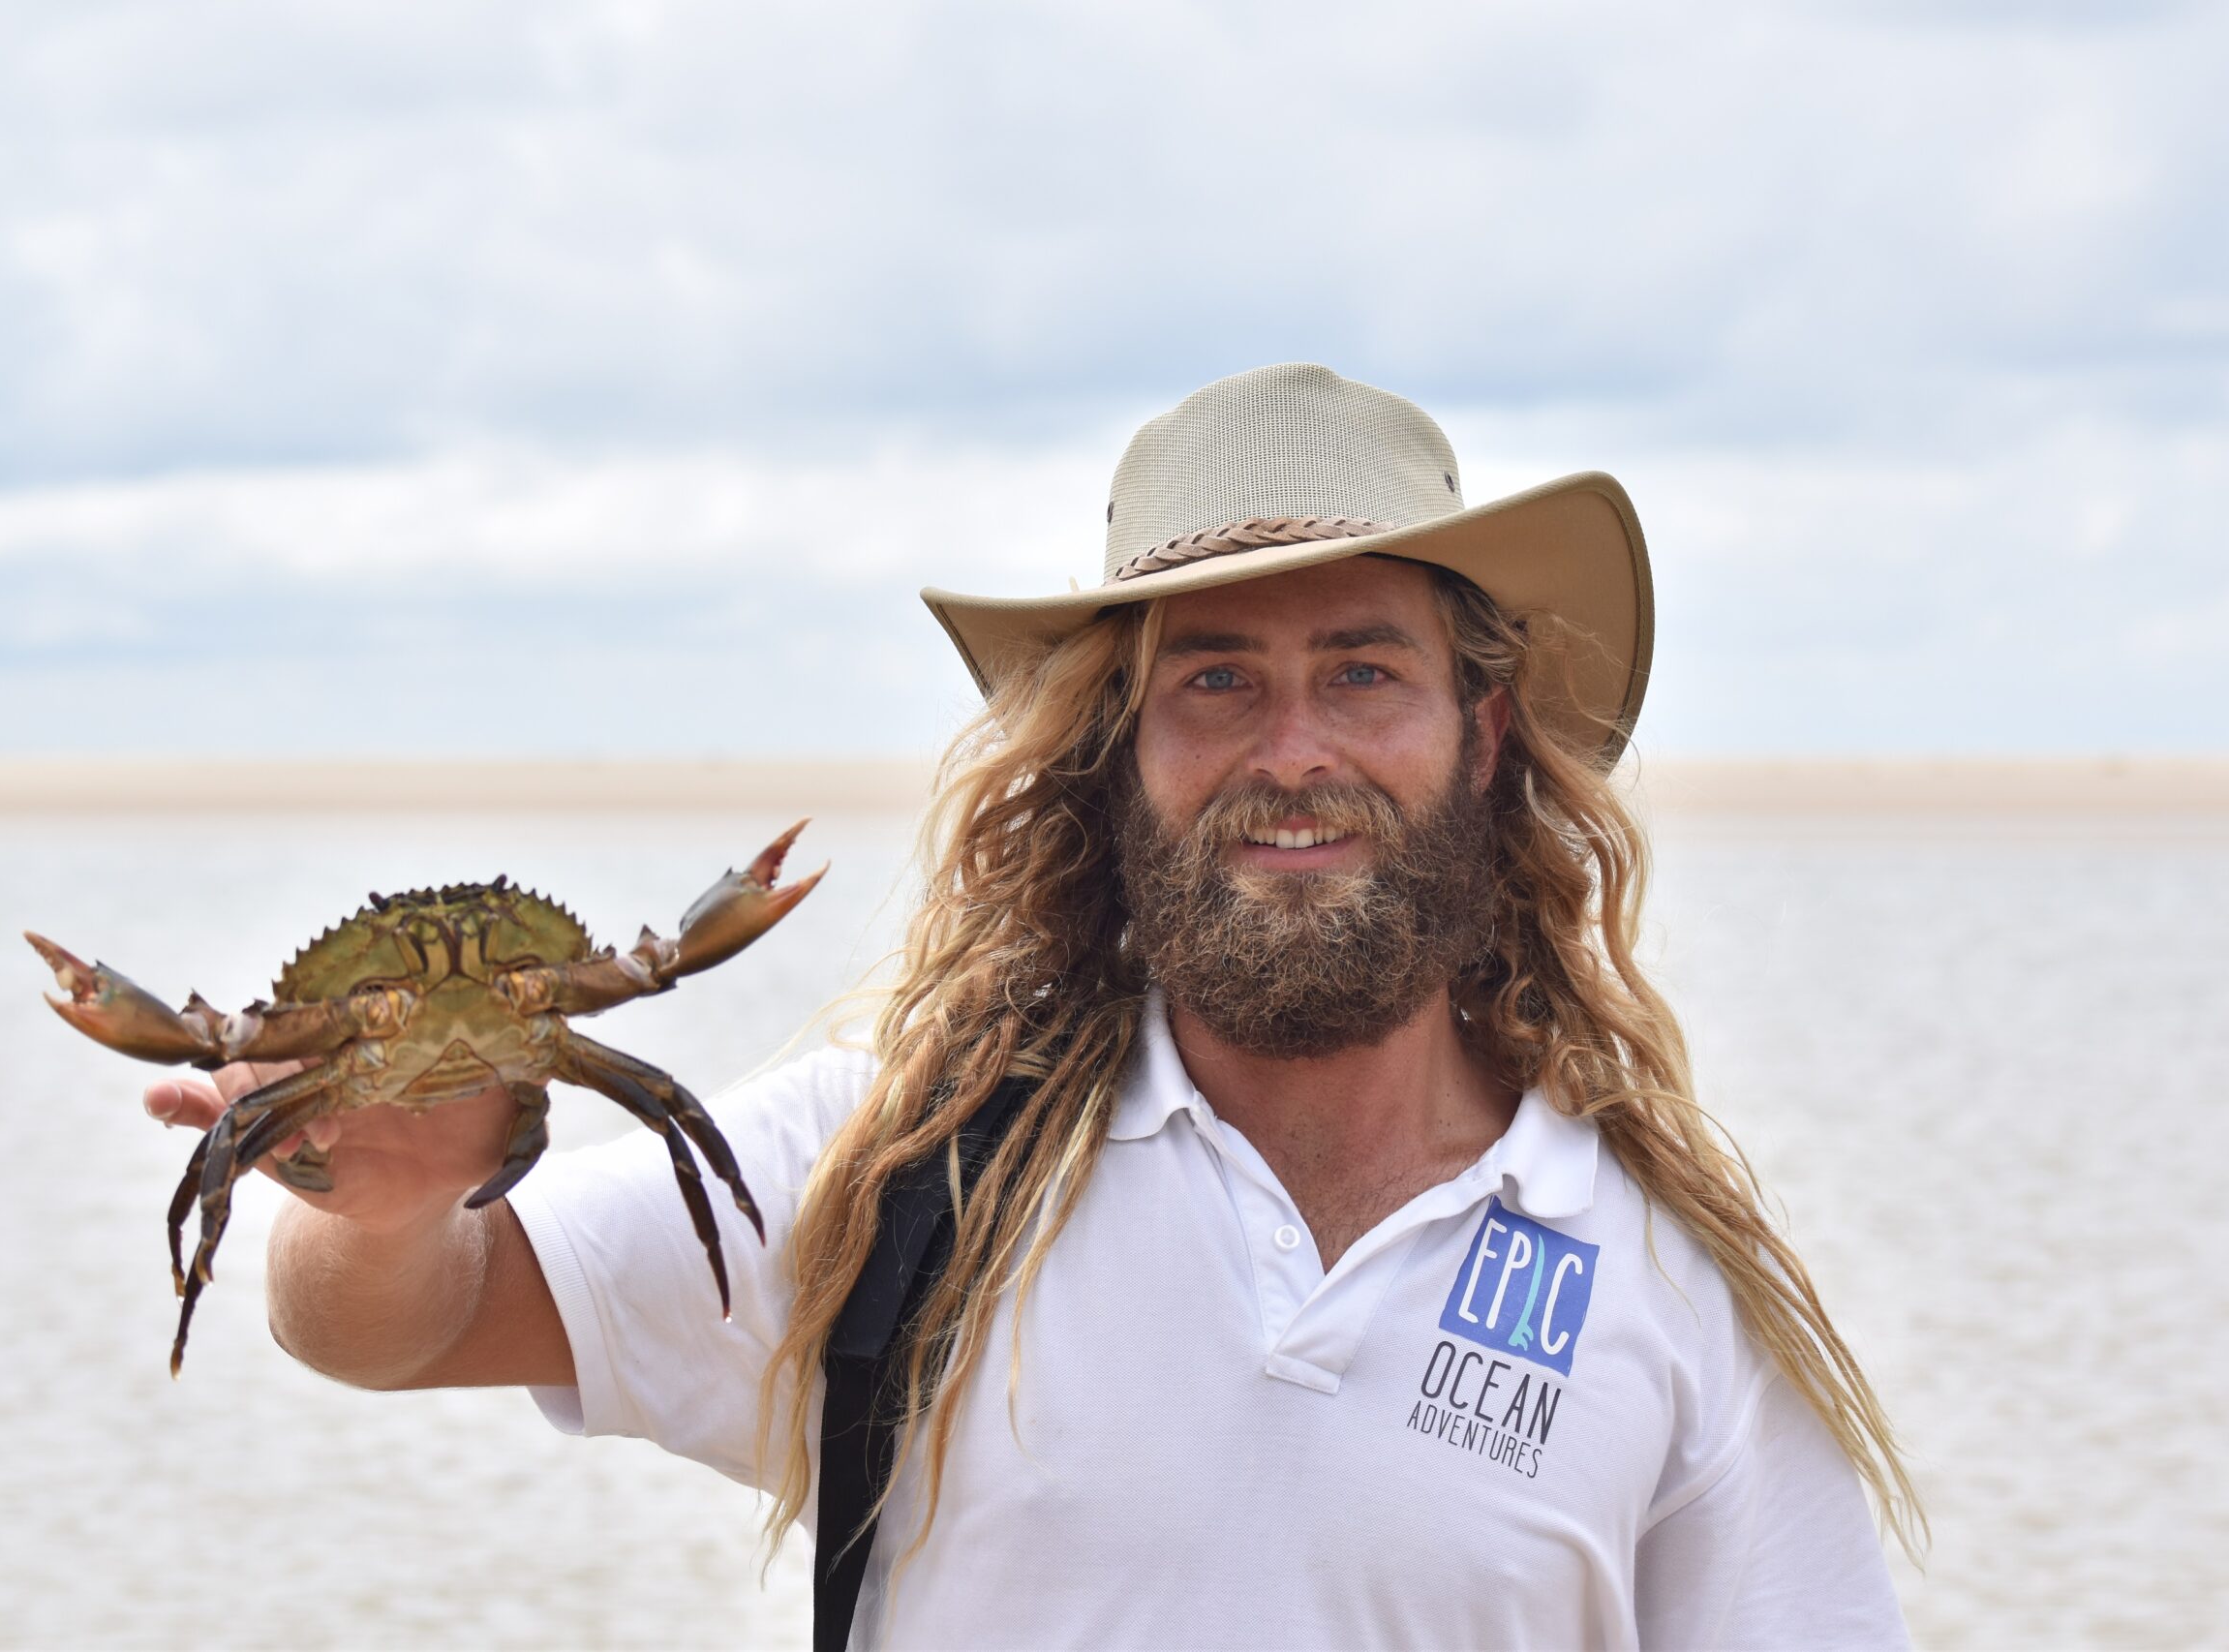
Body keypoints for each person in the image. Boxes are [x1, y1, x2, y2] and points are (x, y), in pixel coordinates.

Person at [144, 363, 1922, 1647]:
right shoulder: (908, 1162)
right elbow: (390, 1323)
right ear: (1113, 758)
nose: (1290, 751)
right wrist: (378, 1192)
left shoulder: (1663, 1286)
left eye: (1362, 670)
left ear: (1487, 729)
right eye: (1216, 678)